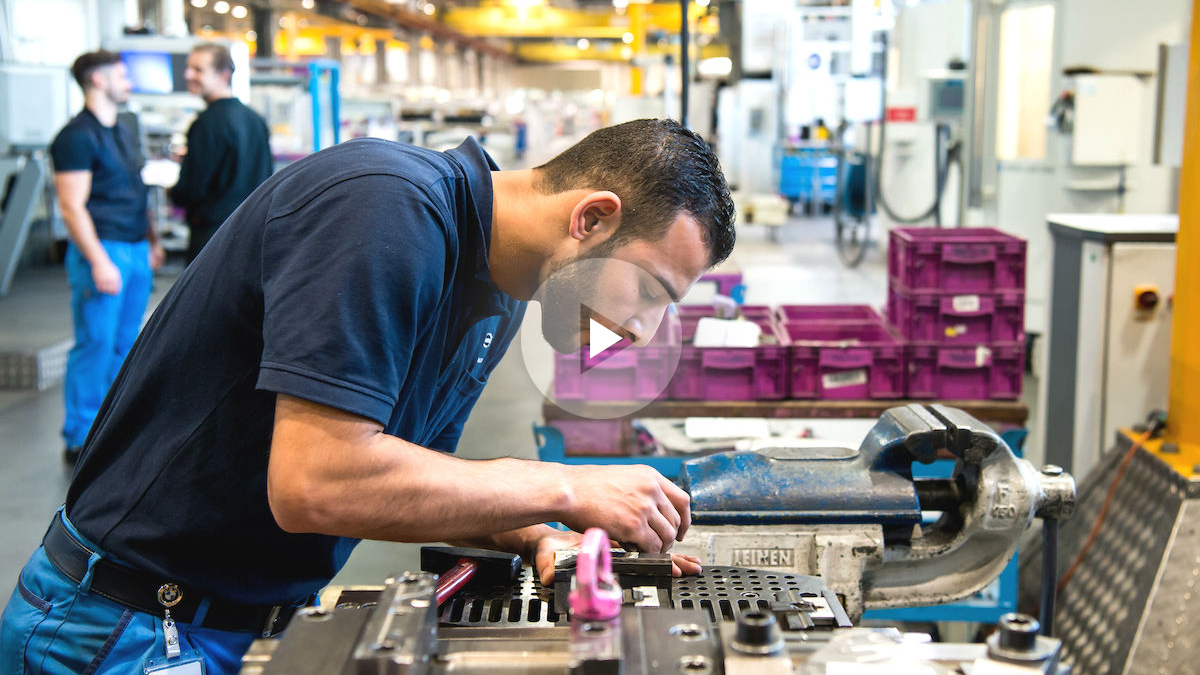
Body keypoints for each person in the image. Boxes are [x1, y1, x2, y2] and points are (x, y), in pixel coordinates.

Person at [0, 118, 736, 675]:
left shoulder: (499, 291)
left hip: (237, 620)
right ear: (592, 218)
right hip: (125, 624)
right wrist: (565, 486)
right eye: (648, 291)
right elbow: (317, 481)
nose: (643, 331)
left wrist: (541, 533)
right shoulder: (383, 208)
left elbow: (407, 473)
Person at [49, 51, 165, 465]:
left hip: (134, 248)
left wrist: (151, 239)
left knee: (124, 345)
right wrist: (98, 260)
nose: (127, 80)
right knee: (95, 343)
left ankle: (111, 428)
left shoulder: (123, 130)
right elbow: (71, 206)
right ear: (97, 80)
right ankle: (79, 434)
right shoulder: (76, 136)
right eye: (120, 74)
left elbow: (136, 190)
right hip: (103, 250)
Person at [168, 43, 272, 264]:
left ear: (224, 75)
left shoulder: (207, 124)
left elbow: (192, 188)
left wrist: (173, 191)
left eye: (198, 69)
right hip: (252, 236)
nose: (188, 74)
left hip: (212, 239)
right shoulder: (255, 119)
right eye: (189, 68)